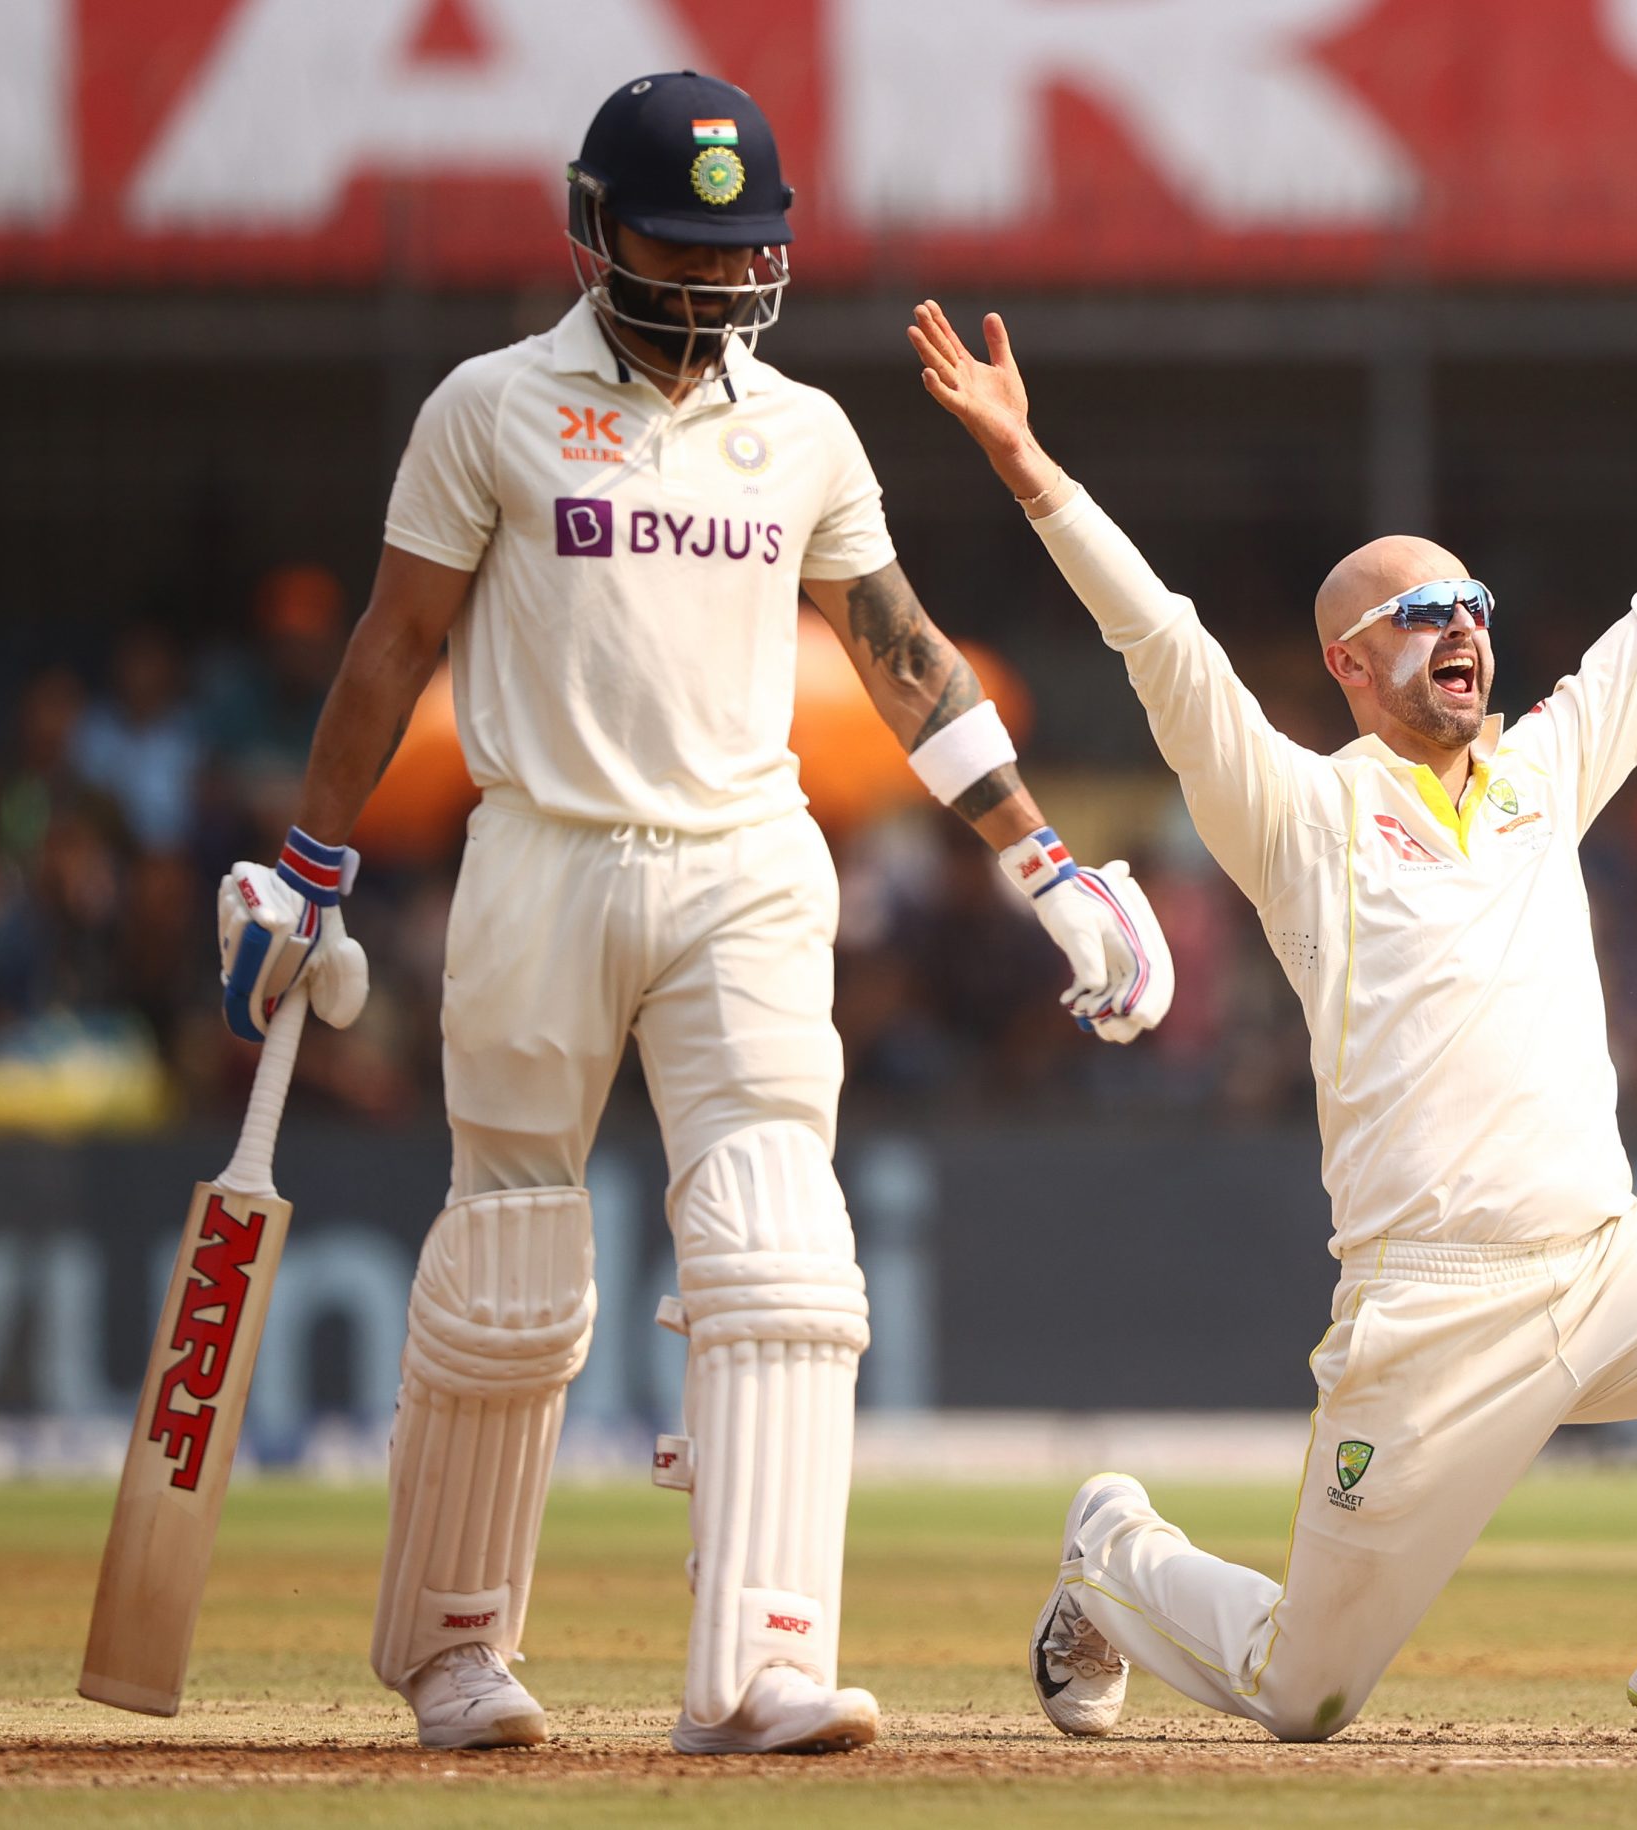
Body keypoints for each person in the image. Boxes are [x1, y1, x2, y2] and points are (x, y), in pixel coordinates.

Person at [213, 71, 1171, 1757]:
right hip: (542, 859)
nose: (721, 278)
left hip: (746, 864)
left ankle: (762, 1664)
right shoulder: (491, 407)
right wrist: (308, 864)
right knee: (513, 1256)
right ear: (594, 231)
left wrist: (1045, 859)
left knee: (784, 1251)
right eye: (682, 241)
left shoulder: (801, 427)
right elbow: (392, 643)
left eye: (748, 247)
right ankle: (455, 1652)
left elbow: (901, 647)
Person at [908, 275, 1637, 1746]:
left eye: (1472, 604)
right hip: (1431, 1318)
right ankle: (1113, 1552)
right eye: (1418, 613)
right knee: (1301, 1694)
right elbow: (1165, 647)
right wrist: (1028, 462)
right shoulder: (1300, 814)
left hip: (1602, 1267)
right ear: (1348, 662)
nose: (1460, 627)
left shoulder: (1543, 773)